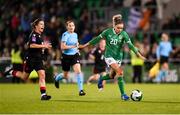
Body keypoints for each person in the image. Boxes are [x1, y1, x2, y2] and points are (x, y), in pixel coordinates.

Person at [79, 14, 146, 100]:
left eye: (121, 28)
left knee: (111, 76)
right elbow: (96, 40)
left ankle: (101, 79)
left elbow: (131, 46)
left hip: (118, 57)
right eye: (118, 28)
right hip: (109, 56)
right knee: (120, 72)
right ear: (114, 26)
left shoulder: (124, 34)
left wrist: (139, 54)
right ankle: (123, 95)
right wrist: (84, 46)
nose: (120, 30)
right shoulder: (107, 32)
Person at [11, 18, 52, 100]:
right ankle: (12, 72)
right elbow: (31, 45)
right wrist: (44, 46)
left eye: (43, 24)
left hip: (38, 60)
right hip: (30, 60)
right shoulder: (34, 35)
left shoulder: (39, 36)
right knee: (24, 77)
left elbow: (38, 48)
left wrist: (43, 52)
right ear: (36, 26)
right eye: (41, 24)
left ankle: (43, 95)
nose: (42, 26)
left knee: (42, 75)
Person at [54, 20, 86, 96]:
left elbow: (76, 44)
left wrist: (77, 48)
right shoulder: (65, 35)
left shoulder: (75, 34)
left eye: (73, 26)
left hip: (74, 55)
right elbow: (62, 47)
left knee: (78, 71)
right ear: (67, 27)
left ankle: (81, 90)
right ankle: (56, 78)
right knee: (65, 75)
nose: (71, 27)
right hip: (66, 57)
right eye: (70, 26)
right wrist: (73, 46)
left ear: (74, 27)